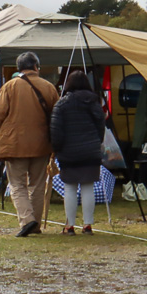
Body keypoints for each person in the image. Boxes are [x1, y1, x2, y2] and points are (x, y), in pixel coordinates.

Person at [0, 52, 61, 237]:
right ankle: (34, 223)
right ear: (36, 66)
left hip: (14, 143)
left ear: (19, 68)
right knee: (37, 185)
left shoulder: (10, 87)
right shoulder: (49, 87)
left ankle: (27, 220)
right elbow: (57, 117)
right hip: (41, 143)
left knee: (17, 184)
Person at [50, 69, 108, 234]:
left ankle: (69, 226)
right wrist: (97, 142)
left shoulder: (61, 104)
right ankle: (88, 224)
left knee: (70, 188)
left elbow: (56, 130)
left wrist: (57, 148)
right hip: (90, 150)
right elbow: (100, 125)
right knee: (88, 186)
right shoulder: (94, 102)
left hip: (69, 152)